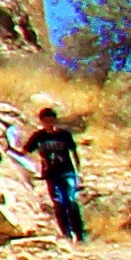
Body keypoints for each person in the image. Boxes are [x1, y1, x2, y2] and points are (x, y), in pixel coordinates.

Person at [20, 100, 88, 243]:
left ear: (55, 120)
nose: (48, 123)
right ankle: (66, 234)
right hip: (50, 175)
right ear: (41, 121)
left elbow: (74, 152)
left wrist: (79, 172)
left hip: (67, 172)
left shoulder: (64, 135)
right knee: (58, 203)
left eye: (51, 120)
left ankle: (80, 234)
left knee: (70, 201)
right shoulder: (38, 136)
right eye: (45, 121)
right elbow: (24, 151)